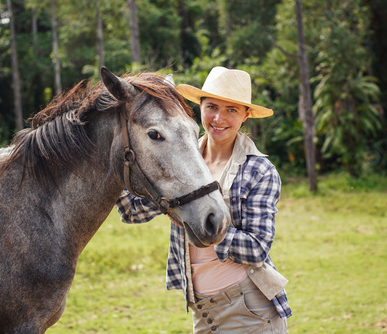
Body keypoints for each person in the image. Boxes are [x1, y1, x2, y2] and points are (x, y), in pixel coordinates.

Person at [116, 66, 291, 333]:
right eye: (211, 106)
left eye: (231, 109)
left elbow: (257, 249)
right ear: (200, 106)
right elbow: (132, 211)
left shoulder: (259, 171)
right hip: (202, 312)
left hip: (249, 309)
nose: (219, 118)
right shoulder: (179, 163)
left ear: (245, 115)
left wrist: (206, 225)